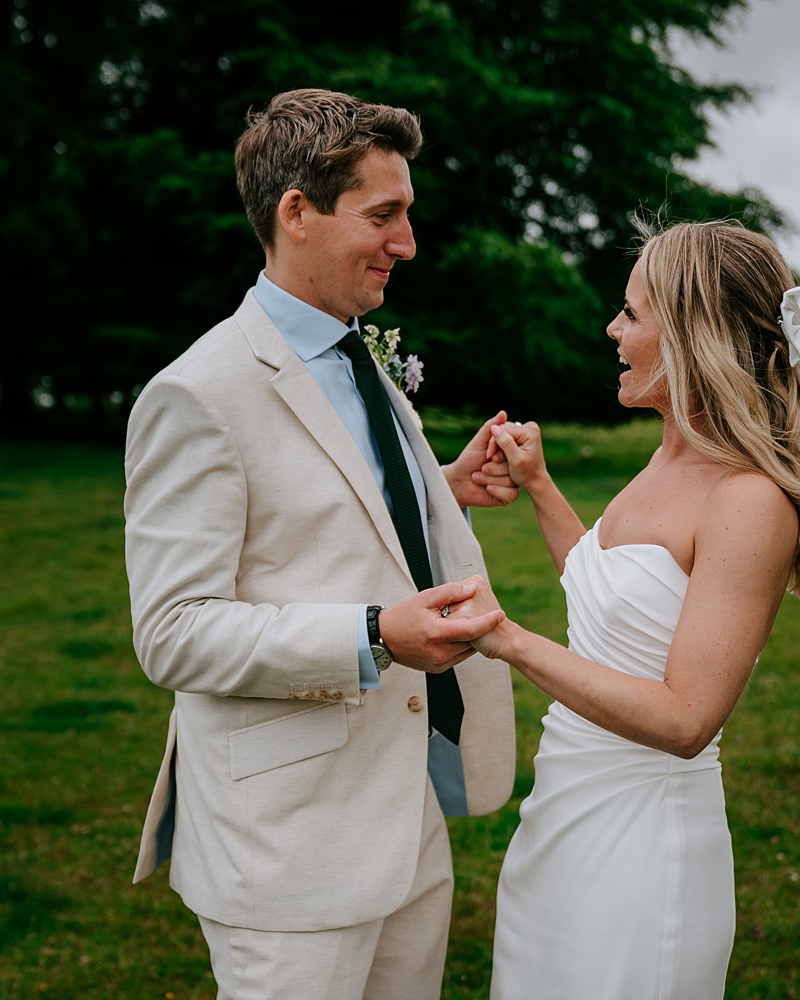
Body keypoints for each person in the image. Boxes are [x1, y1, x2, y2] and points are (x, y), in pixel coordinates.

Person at [123, 88, 520, 1000]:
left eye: (407, 214)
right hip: (287, 847)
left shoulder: (354, 352)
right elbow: (174, 631)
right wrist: (376, 633)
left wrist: (441, 489)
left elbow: (329, 505)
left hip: (403, 808)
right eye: (384, 216)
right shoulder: (199, 395)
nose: (408, 243)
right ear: (296, 213)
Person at [450, 221, 800, 999]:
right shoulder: (667, 454)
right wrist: (542, 488)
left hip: (640, 852)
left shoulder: (748, 500)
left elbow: (687, 720)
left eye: (631, 313)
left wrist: (507, 639)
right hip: (560, 820)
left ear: (688, 336)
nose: (613, 330)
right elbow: (610, 602)